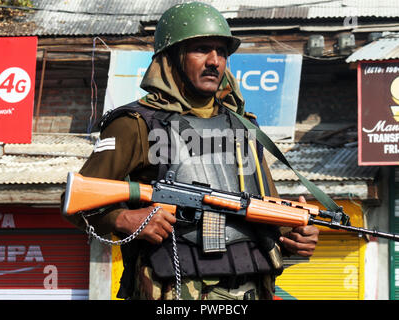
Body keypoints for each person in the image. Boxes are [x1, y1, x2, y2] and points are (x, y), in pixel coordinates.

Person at [62, 2, 319, 300]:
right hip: (172, 289)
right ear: (171, 57)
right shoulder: (135, 124)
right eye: (202, 49)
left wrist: (294, 237)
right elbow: (75, 202)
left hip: (250, 288)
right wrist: (123, 220)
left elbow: (263, 208)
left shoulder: (243, 126)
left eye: (222, 52)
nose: (215, 61)